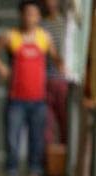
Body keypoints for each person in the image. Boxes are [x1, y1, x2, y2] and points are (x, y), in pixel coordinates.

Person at [0, 0, 64, 176]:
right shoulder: (11, 36)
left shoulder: (44, 37)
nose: (30, 17)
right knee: (12, 140)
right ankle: (12, 174)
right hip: (16, 99)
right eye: (27, 13)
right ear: (21, 15)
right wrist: (2, 69)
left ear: (39, 17)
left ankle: (34, 173)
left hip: (39, 99)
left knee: (37, 139)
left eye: (34, 14)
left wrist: (64, 65)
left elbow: (56, 59)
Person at [42, 0, 69, 145]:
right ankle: (48, 162)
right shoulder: (41, 25)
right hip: (45, 80)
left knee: (64, 122)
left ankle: (64, 162)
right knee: (47, 124)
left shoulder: (66, 24)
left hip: (63, 80)